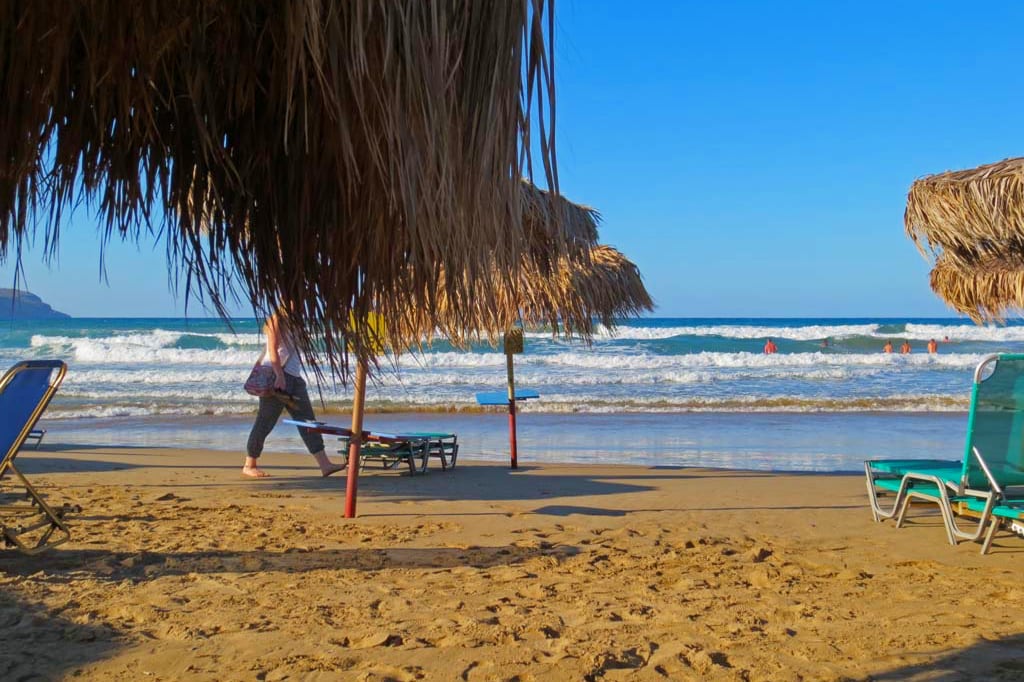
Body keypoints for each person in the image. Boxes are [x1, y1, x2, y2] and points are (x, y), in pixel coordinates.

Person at [244, 308, 346, 478]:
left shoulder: (296, 321)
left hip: (295, 379)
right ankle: (250, 464)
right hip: (278, 377)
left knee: (308, 422)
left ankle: (325, 464)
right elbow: (273, 350)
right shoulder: (275, 320)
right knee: (265, 421)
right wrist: (279, 376)